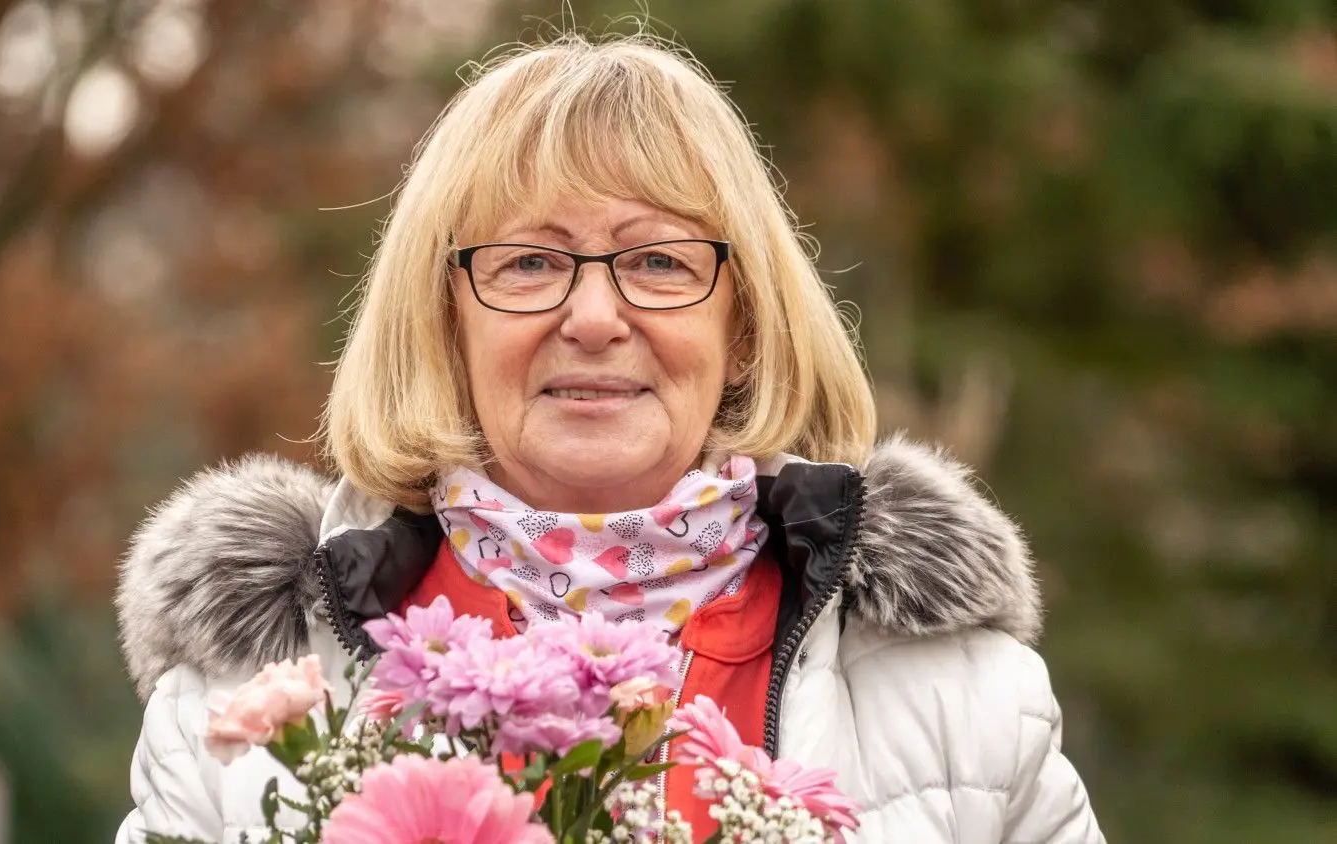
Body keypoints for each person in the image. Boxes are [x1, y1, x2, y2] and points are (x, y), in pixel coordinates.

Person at [113, 33, 1104, 844]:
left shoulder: (964, 697)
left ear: (744, 324)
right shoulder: (245, 706)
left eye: (660, 261)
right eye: (531, 261)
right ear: (444, 316)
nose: (592, 316)